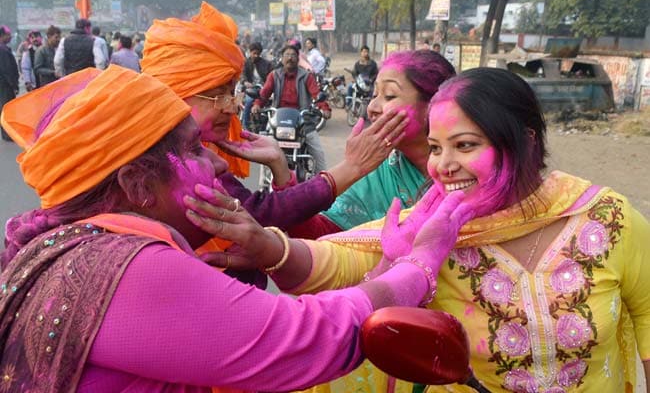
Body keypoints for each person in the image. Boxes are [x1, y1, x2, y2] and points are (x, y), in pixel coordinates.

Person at [0, 64, 472, 392]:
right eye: (192, 150)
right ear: (136, 185)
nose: (212, 160)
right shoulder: (129, 267)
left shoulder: (62, 241)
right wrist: (417, 264)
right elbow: (309, 337)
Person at [224, 67, 650, 393]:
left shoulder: (605, 217)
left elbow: (647, 315)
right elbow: (335, 261)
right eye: (434, 147)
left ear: (527, 141)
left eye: (465, 145)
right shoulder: (432, 230)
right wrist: (268, 248)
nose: (443, 166)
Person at [140, 3, 407, 265]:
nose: (233, 106)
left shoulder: (307, 76)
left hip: (300, 121)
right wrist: (351, 167)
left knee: (315, 146)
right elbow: (262, 214)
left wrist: (286, 157)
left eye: (390, 95)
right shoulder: (163, 158)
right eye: (219, 95)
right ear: (176, 94)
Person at [291, 50, 456, 238]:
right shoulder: (376, 171)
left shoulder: (471, 169)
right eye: (375, 95)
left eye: (390, 96)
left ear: (434, 106)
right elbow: (322, 238)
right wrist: (284, 180)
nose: (372, 108)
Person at [252, 44, 330, 174]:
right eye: (287, 55)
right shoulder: (274, 75)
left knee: (318, 153)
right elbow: (264, 93)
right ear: (281, 59)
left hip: (302, 120)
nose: (290, 58)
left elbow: (316, 93)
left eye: (293, 55)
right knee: (265, 148)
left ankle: (321, 183)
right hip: (278, 119)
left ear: (298, 58)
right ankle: (264, 184)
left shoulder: (306, 76)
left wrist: (324, 108)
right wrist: (257, 104)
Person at [240, 41, 273, 129]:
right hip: (250, 90)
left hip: (264, 89)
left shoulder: (266, 64)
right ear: (250, 52)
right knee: (249, 101)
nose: (256, 56)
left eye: (258, 54)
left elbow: (272, 75)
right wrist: (245, 82)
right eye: (254, 53)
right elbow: (242, 74)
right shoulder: (245, 63)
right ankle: (245, 125)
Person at [0, 25, 18, 142]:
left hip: (4, 83)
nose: (10, 37)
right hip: (5, 85)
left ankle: (6, 133)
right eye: (8, 35)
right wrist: (14, 85)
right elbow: (7, 69)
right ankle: (7, 134)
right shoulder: (3, 50)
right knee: (6, 108)